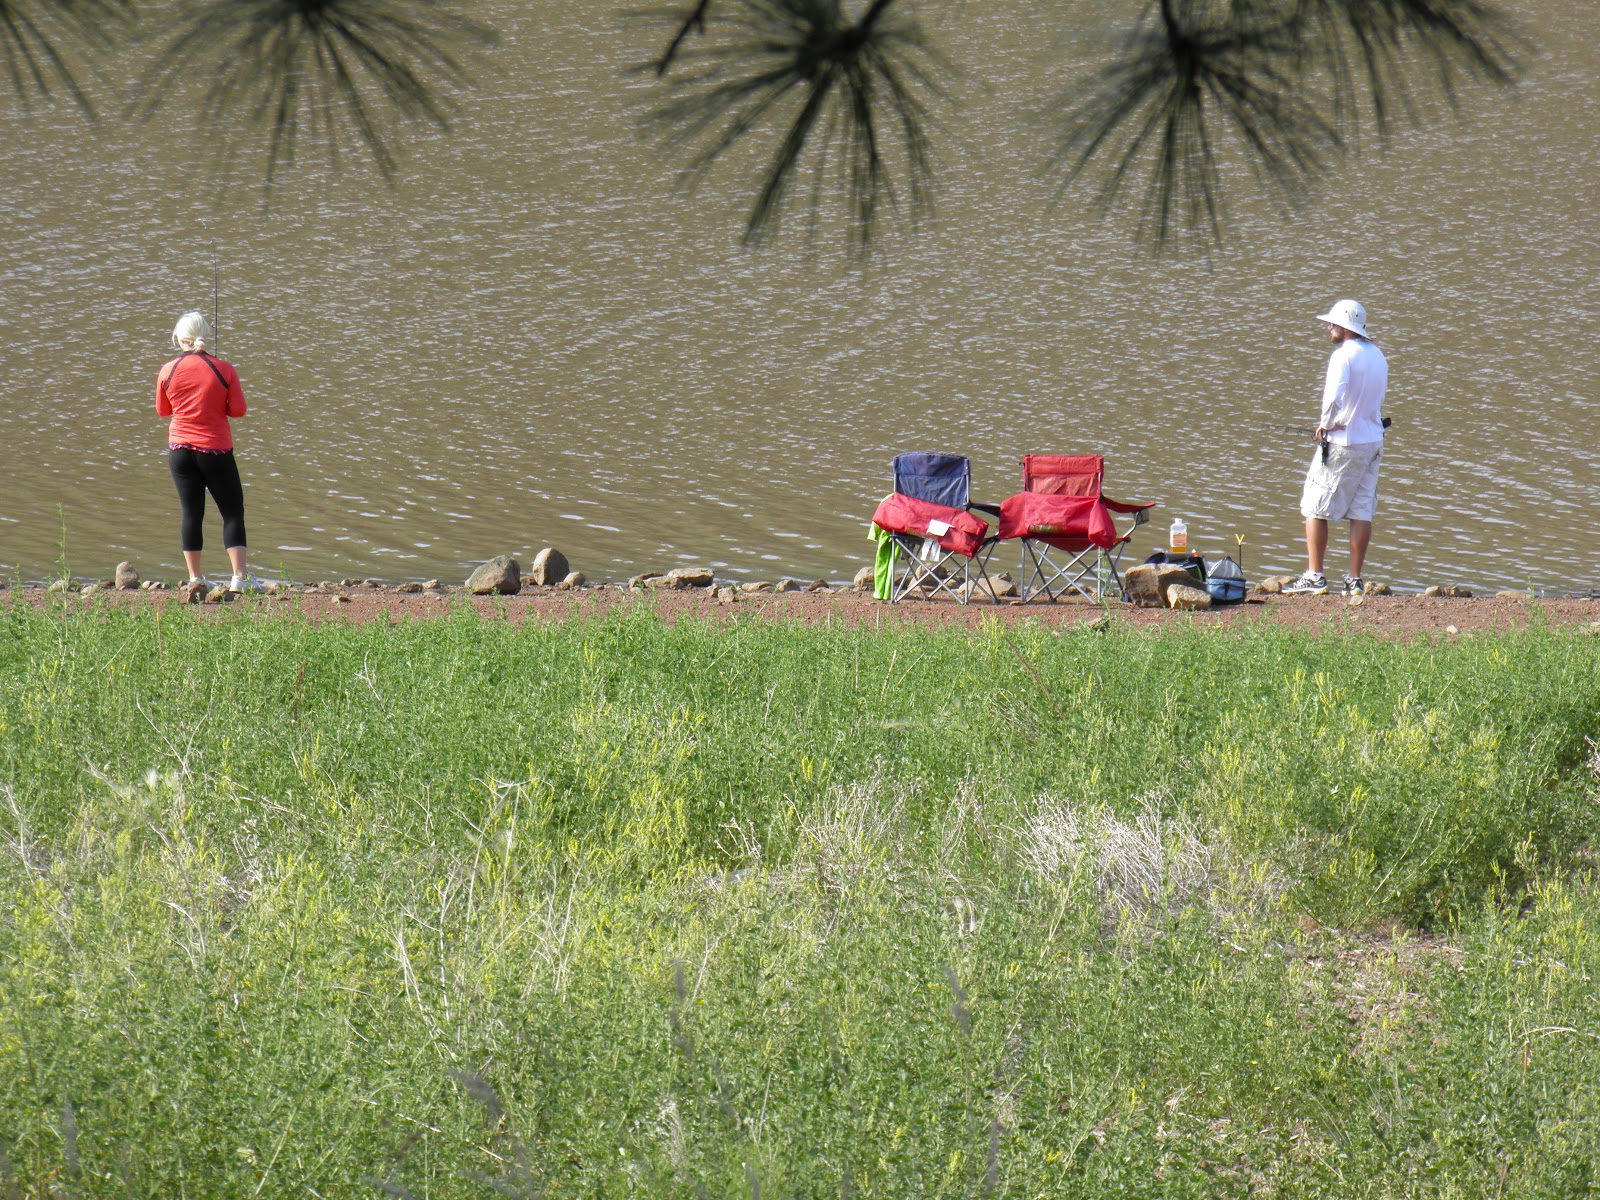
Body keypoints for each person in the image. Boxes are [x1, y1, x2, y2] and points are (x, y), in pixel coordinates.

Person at [1284, 299, 1388, 596]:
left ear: (1343, 326)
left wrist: (1326, 424)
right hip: (1373, 440)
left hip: (1344, 442)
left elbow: (1333, 397)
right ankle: (1354, 581)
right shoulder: (1378, 355)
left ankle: (1315, 576)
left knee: (1314, 507)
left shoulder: (1343, 356)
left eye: (1331, 324)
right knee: (1362, 509)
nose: (1328, 328)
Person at [155, 311, 262, 593]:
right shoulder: (224, 369)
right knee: (232, 512)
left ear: (179, 338)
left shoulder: (168, 370)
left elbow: (163, 410)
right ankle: (239, 577)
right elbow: (238, 411)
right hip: (215, 451)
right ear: (207, 335)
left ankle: (195, 579)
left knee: (191, 513)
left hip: (180, 451)